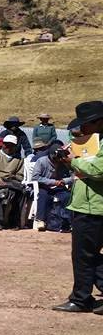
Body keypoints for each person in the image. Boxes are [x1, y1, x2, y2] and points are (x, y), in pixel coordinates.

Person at [52, 101, 103, 313]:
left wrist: (73, 161)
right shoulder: (94, 141)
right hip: (87, 204)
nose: (82, 130)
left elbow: (98, 170)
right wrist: (66, 160)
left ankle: (81, 299)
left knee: (83, 255)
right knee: (89, 253)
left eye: (85, 125)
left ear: (98, 122)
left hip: (93, 207)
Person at [0, 134, 26, 230]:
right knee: (2, 192)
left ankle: (14, 221)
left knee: (20, 192)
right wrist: (0, 181)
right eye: (6, 144)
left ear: (15, 146)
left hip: (11, 182)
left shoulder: (19, 159)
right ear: (3, 144)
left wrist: (12, 180)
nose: (8, 147)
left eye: (11, 145)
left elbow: (19, 175)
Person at [32, 143, 72, 232]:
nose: (58, 159)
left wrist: (64, 181)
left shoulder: (64, 163)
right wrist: (53, 182)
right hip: (45, 186)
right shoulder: (42, 161)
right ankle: (41, 220)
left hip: (59, 186)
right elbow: (35, 177)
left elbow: (73, 176)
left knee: (67, 196)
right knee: (43, 196)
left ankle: (66, 221)